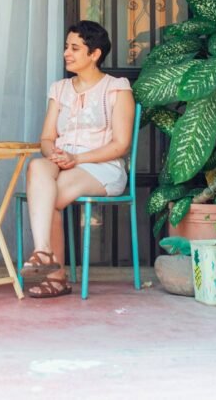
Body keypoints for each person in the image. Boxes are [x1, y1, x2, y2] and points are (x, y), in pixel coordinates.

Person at [20, 20, 135, 298]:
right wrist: (55, 154)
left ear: (94, 54)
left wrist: (77, 157)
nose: (66, 53)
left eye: (74, 48)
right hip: (64, 162)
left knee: (51, 196)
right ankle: (44, 253)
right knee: (37, 165)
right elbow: (46, 138)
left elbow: (121, 145)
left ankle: (55, 276)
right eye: (66, 47)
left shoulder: (117, 88)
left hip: (101, 166)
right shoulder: (59, 89)